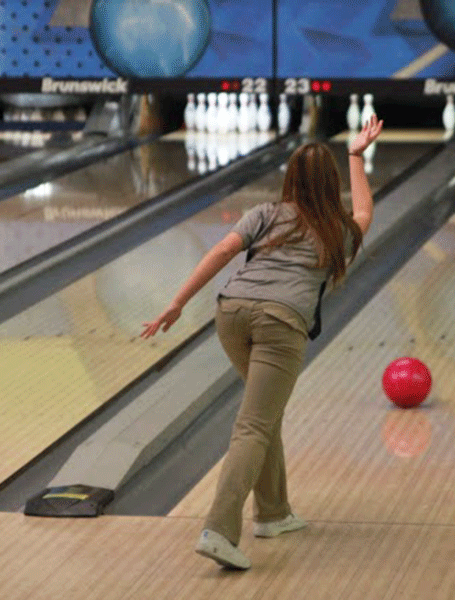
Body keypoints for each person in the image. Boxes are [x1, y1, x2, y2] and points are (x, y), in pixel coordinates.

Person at [142, 115, 384, 570]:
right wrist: (355, 155)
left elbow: (220, 253)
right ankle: (218, 530)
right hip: (279, 323)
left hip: (230, 313)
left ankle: (273, 514)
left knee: (262, 415)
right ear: (332, 186)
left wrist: (176, 303)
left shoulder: (265, 213)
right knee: (254, 424)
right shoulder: (340, 230)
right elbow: (366, 212)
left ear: (289, 178)